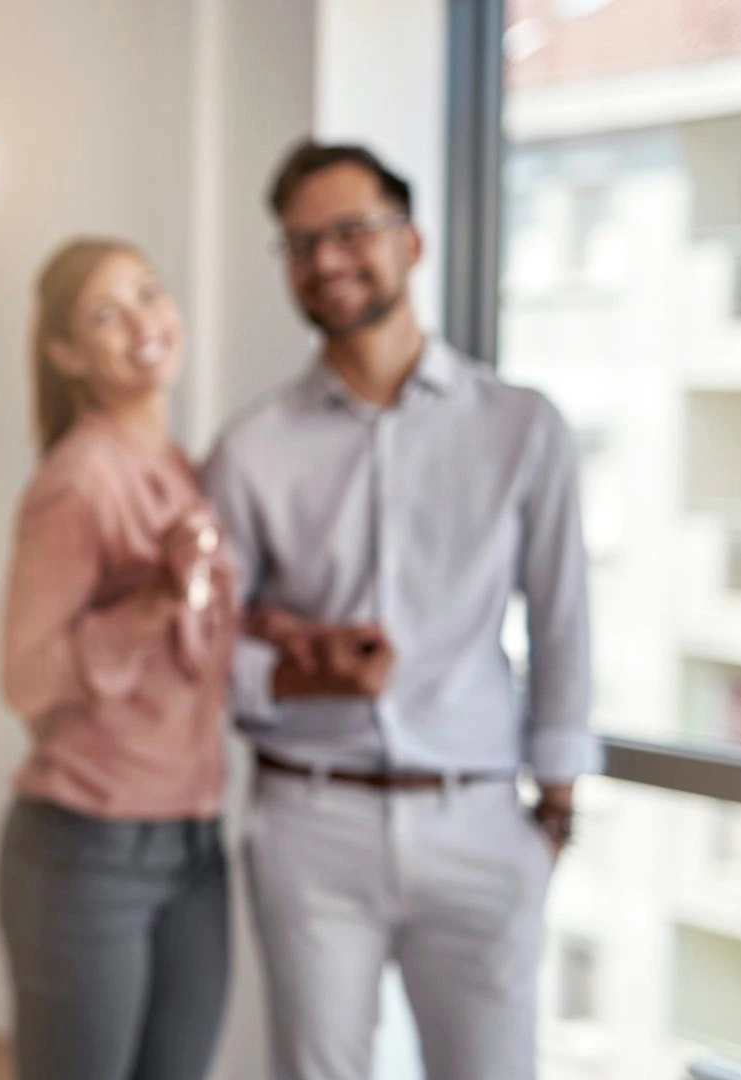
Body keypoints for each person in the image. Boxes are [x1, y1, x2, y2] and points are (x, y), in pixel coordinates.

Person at [202, 140, 596, 1080]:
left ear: (412, 242)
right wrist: (306, 670)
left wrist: (554, 814)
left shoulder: (521, 426)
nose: (326, 261)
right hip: (309, 820)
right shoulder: (251, 448)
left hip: (480, 822)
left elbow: (564, 621)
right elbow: (210, 648)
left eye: (350, 232)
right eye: (300, 245)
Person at [0, 238, 234, 1080]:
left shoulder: (178, 468)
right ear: (69, 355)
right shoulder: (82, 478)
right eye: (106, 313)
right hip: (89, 849)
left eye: (148, 292)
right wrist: (154, 603)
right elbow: (24, 678)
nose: (141, 321)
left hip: (195, 843)